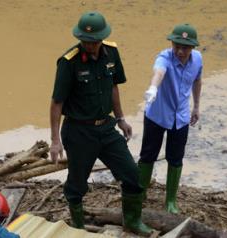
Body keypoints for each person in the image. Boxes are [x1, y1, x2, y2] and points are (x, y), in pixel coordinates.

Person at [49, 11, 152, 236]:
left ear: (102, 38)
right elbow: (57, 102)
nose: (90, 46)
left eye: (94, 42)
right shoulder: (69, 62)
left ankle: (132, 221)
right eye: (85, 41)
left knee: (132, 176)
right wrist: (55, 141)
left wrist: (121, 118)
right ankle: (77, 227)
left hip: (106, 128)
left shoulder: (111, 53)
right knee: (76, 186)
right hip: (78, 132)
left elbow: (114, 86)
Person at [138, 23, 203, 214]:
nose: (180, 51)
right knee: (148, 154)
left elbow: (198, 80)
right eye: (177, 46)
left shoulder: (198, 59)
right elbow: (159, 72)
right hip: (157, 115)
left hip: (180, 117)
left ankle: (171, 200)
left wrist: (197, 106)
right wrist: (153, 88)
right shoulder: (164, 57)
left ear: (193, 47)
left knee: (176, 158)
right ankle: (140, 193)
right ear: (171, 44)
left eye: (185, 47)